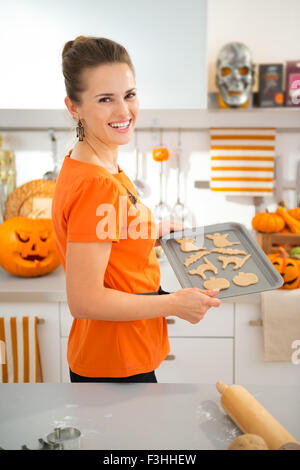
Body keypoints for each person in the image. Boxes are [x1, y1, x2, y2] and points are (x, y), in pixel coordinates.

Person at [51, 36, 221, 383]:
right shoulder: (97, 183)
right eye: (105, 99)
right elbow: (85, 300)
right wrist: (174, 304)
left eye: (129, 95)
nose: (124, 111)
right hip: (114, 361)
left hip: (122, 352)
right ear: (74, 107)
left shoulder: (96, 163)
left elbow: (106, 235)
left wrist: (150, 232)